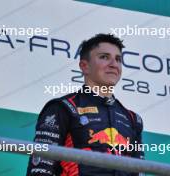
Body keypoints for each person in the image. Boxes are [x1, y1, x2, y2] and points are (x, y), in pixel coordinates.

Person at [26, 33, 144, 176]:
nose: (114, 64)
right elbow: (40, 168)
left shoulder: (132, 119)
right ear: (84, 66)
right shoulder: (63, 107)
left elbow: (139, 171)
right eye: (104, 57)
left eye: (118, 59)